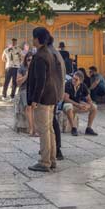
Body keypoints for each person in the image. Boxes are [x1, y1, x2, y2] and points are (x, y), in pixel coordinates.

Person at [27, 26, 61, 172]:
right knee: (50, 129)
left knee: (43, 130)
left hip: (43, 97)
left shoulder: (40, 56)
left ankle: (45, 161)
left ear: (37, 39)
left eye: (33, 37)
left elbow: (40, 79)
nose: (32, 39)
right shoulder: (50, 53)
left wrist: (35, 98)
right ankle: (52, 159)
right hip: (51, 95)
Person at [45, 35, 66, 163]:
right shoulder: (55, 53)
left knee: (51, 122)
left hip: (51, 92)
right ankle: (52, 148)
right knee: (51, 121)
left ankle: (56, 149)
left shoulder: (50, 53)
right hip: (56, 91)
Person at [61, 71, 98, 136]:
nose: (73, 80)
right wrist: (78, 105)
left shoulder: (83, 86)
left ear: (80, 81)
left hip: (77, 105)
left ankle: (88, 128)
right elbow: (66, 99)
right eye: (73, 78)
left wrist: (88, 105)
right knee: (69, 106)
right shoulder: (68, 84)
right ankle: (73, 128)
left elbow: (89, 99)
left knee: (94, 107)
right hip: (67, 105)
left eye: (76, 79)